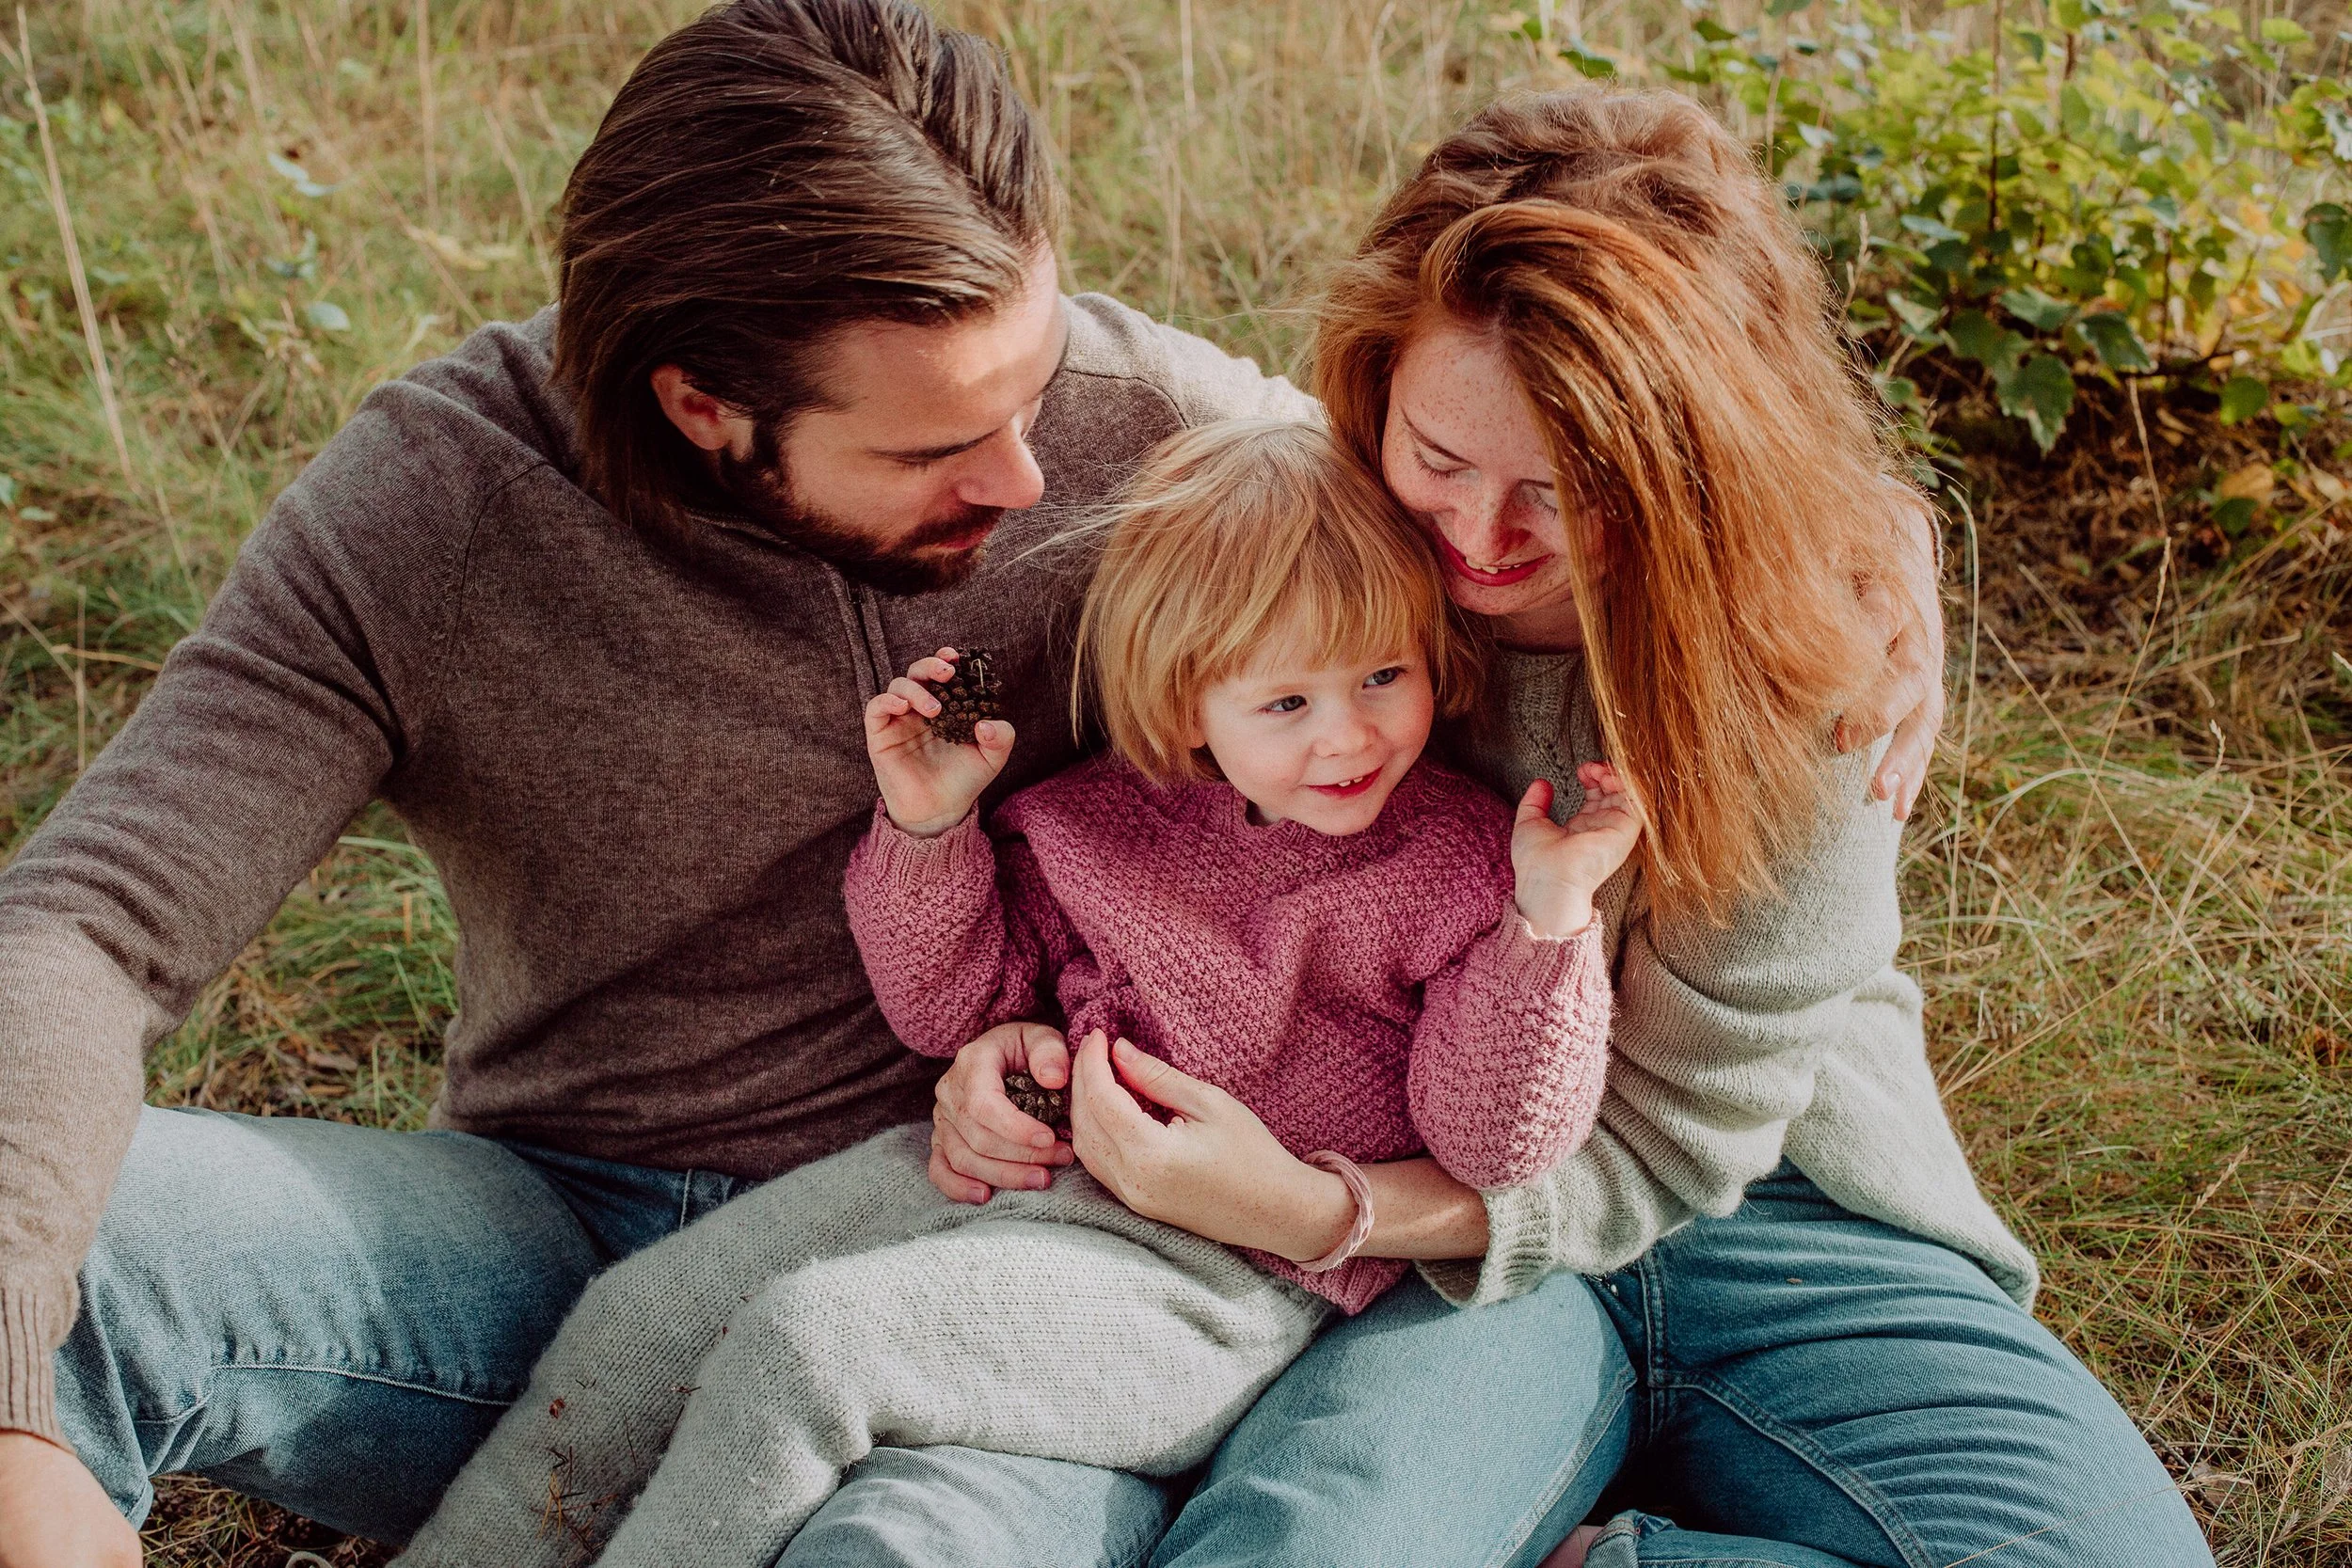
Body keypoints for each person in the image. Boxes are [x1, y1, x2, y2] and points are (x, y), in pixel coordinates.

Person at [0, 7, 1937, 1567]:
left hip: (1041, 1236)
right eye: (942, 441)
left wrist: (1863, 531)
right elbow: (85, 919)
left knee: (903, 1531)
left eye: (1034, 380)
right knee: (80, 1261)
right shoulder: (428, 515)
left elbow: (1575, 472)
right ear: (705, 408)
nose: (1031, 475)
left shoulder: (1148, 435)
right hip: (548, 1231)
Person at [922, 91, 2217, 1567]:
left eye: (1565, 488)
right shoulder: (1320, 541)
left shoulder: (1811, 660)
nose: (1478, 539)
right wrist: (1023, 1045)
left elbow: (1669, 1143)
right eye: (1438, 457)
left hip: (1770, 1210)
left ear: (1698, 467)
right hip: (1431, 1243)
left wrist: (1317, 1206)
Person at [392, 419, 1638, 1567]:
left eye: (1383, 676)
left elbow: (1495, 1143)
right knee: (643, 1319)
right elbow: (952, 1008)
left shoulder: (1460, 864)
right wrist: (931, 829)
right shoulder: (1107, 822)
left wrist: (1551, 917)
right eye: (1287, 700)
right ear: (1188, 701)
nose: (1348, 735)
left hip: (1212, 1281)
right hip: (994, 1181)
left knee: (809, 1349)